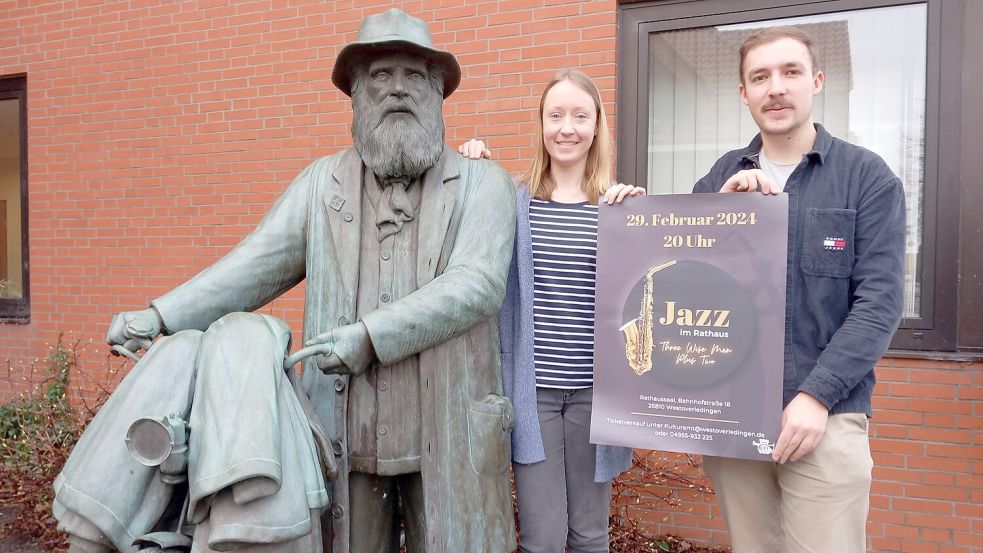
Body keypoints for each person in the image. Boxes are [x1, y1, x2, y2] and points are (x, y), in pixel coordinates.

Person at [55, 9, 517, 553]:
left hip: (448, 430)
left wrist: (368, 335)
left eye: (415, 76)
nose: (398, 89)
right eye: (380, 76)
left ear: (439, 93)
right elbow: (251, 267)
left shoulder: (485, 185)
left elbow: (477, 285)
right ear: (356, 96)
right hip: (347, 432)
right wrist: (159, 316)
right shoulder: (321, 185)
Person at [692, 26, 906, 553]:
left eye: (790, 73)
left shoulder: (866, 177)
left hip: (825, 419)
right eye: (760, 77)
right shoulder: (720, 175)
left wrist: (816, 395)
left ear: (816, 81)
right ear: (744, 93)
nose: (776, 88)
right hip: (735, 416)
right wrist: (719, 212)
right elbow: (687, 285)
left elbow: (879, 304)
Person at [462, 69, 643, 553]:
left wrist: (644, 227)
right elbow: (459, 232)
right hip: (534, 394)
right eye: (556, 115)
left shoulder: (619, 209)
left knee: (590, 537)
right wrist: (469, 171)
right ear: (541, 125)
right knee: (542, 539)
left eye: (580, 116)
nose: (568, 127)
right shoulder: (512, 203)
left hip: (597, 397)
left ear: (597, 125)